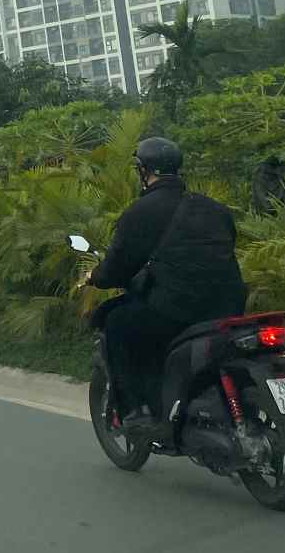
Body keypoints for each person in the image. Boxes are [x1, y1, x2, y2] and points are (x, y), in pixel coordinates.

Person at [86, 136, 246, 434]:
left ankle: (137, 410)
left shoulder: (138, 213)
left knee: (119, 322)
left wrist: (95, 277)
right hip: (230, 304)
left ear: (145, 171)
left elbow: (116, 269)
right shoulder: (213, 208)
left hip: (178, 311)